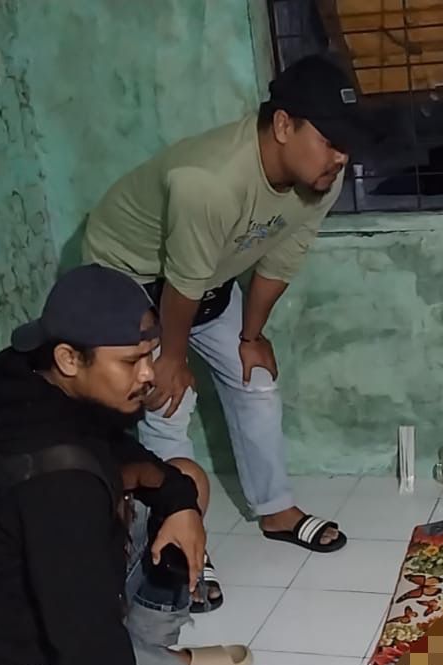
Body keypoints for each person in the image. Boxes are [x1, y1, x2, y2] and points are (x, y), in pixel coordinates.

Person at [0, 265, 258, 665]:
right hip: (18, 664)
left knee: (185, 482)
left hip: (36, 592)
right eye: (131, 362)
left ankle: (151, 655)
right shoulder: (56, 479)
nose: (148, 374)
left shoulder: (30, 374)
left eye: (149, 356)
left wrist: (180, 503)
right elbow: (82, 633)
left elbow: (116, 454)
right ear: (69, 358)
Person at [82, 54, 375, 568]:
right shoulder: (208, 182)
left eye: (346, 144)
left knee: (256, 381)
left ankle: (276, 510)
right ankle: (178, 545)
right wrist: (172, 359)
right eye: (330, 140)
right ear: (282, 125)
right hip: (128, 274)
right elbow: (181, 282)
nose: (340, 157)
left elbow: (279, 260)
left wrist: (251, 337)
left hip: (202, 275)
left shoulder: (320, 178)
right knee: (168, 402)